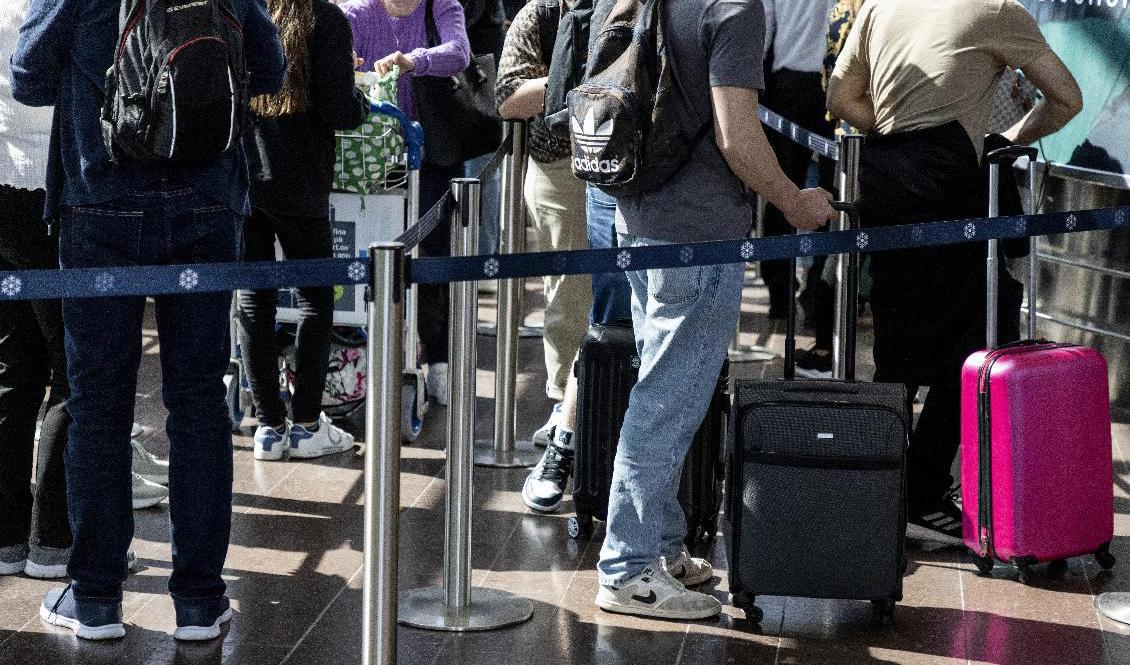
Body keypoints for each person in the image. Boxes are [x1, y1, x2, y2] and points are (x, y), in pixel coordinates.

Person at [11, 0, 285, 642]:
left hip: (99, 200)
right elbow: (269, 71)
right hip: (209, 201)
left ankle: (97, 598)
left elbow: (26, 76)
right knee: (198, 402)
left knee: (98, 403)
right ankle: (198, 602)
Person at [593, 0, 836, 620]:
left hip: (638, 214)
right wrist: (792, 201)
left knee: (663, 387)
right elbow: (738, 136)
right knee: (668, 399)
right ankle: (627, 568)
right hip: (699, 232)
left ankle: (664, 546)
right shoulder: (732, 9)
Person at [827, 0, 1082, 546]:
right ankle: (919, 491)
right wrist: (1002, 142)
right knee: (979, 338)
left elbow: (841, 98)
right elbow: (1067, 97)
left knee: (897, 348)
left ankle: (873, 490)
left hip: (888, 188)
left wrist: (898, 135)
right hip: (949, 188)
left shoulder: (879, 6)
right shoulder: (997, 11)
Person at [240, 0, 368, 462]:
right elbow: (339, 107)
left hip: (247, 177)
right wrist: (361, 102)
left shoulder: (243, 12)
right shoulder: (325, 19)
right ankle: (308, 423)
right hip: (303, 181)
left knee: (254, 302)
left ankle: (268, 426)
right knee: (316, 299)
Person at [344, 0, 471, 406]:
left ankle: (439, 358)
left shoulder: (441, 6)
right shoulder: (355, 15)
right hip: (369, 156)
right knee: (371, 249)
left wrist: (413, 60)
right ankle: (369, 350)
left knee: (434, 254)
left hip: (431, 152)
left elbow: (458, 52)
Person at [497, 0, 594, 513]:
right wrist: (582, 88)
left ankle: (584, 410)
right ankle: (566, 411)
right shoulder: (539, 16)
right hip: (560, 168)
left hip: (633, 171)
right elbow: (509, 98)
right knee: (569, 299)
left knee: (619, 301)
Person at [759, 0, 837, 380]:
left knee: (778, 191)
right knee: (832, 195)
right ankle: (819, 293)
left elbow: (766, 30)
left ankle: (779, 290)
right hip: (832, 83)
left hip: (786, 85)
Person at [462, 0, 507, 256]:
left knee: (482, 165)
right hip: (478, 51)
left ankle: (481, 258)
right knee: (483, 166)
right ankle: (482, 255)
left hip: (477, 61)